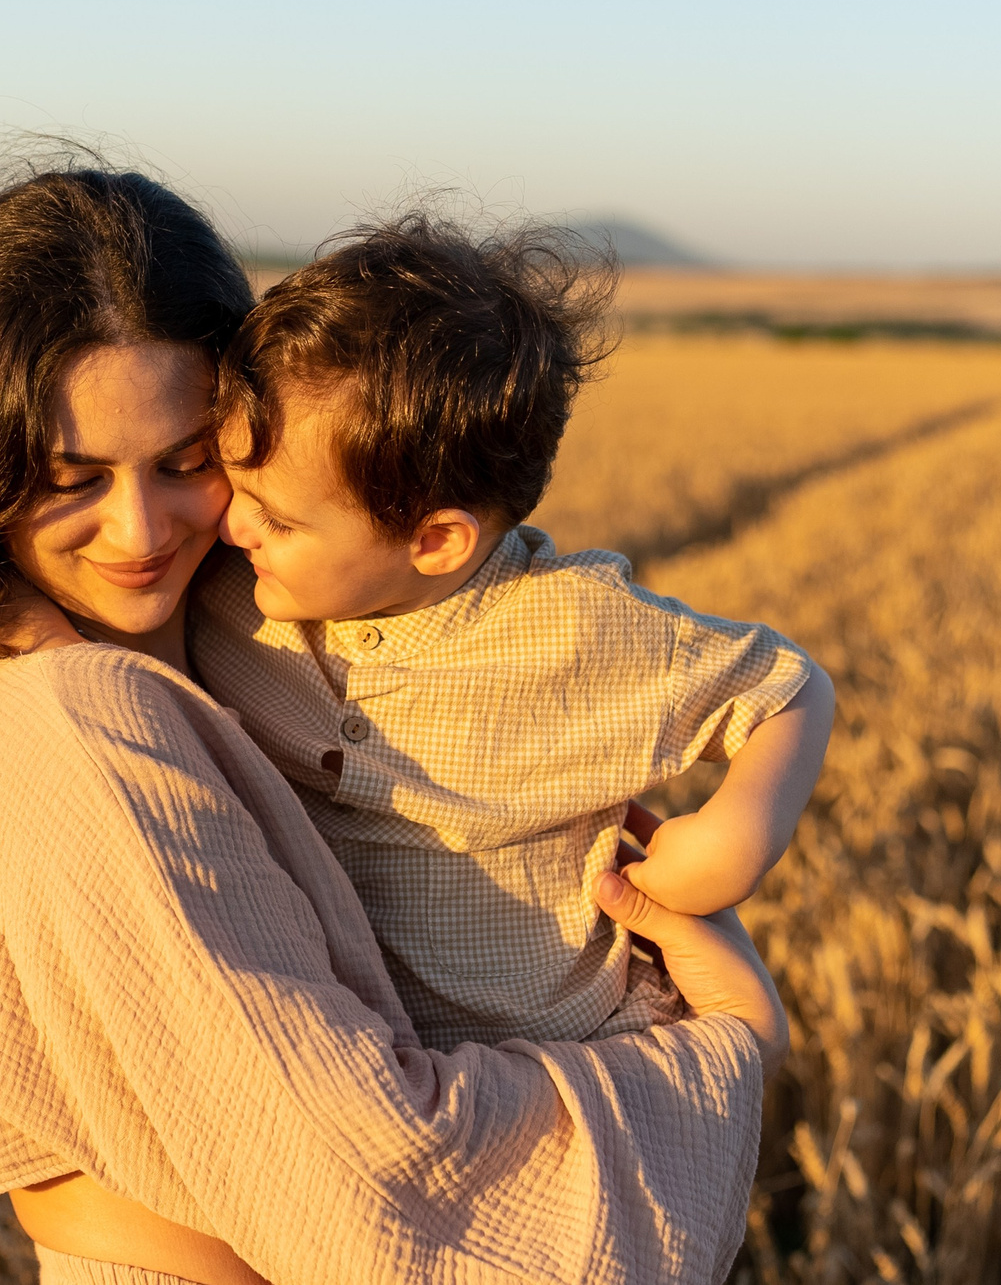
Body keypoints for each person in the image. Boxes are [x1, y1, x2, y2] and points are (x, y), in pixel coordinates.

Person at [0, 167, 788, 1284]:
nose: (140, 531)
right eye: (70, 477)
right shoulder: (81, 722)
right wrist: (724, 1049)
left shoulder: (192, 647)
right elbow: (376, 1182)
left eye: (186, 465)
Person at [195, 213, 838, 1049]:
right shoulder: (230, 595)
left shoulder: (575, 626)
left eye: (275, 518)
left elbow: (790, 687)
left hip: (571, 1059)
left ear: (435, 541)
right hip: (362, 1066)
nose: (232, 525)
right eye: (231, 482)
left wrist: (735, 839)